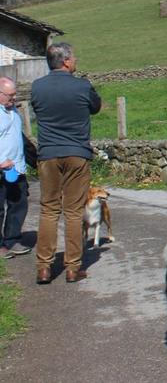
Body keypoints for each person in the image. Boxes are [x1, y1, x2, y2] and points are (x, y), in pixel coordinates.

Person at [31, 42, 101, 284]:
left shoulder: (37, 87)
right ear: (67, 61)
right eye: (75, 57)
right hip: (76, 153)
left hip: (48, 154)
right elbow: (96, 107)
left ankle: (43, 267)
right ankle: (72, 267)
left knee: (48, 210)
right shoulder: (81, 85)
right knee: (73, 211)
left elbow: (37, 111)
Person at [0, 77, 31, 259]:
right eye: (10, 95)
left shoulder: (14, 112)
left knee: (18, 205)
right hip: (1, 168)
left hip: (16, 169)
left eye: (14, 95)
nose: (14, 98)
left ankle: (12, 240)